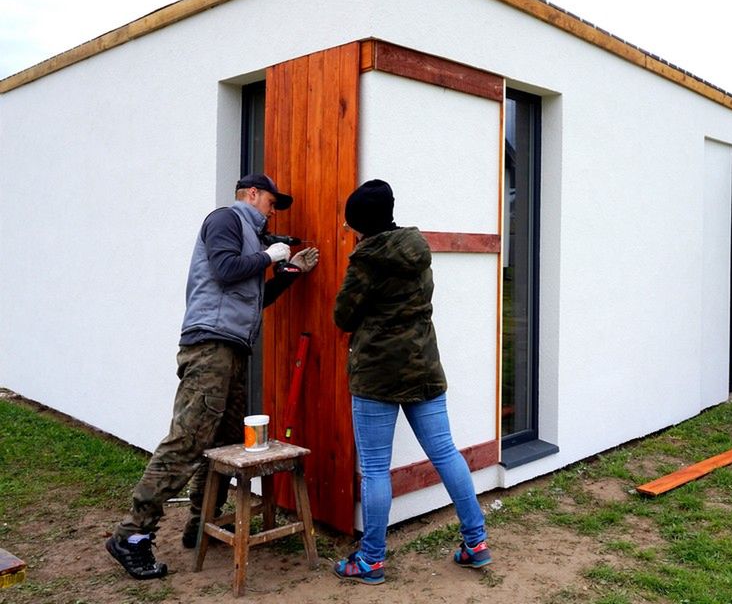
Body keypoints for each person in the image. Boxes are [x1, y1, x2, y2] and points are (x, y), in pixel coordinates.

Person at [106, 173, 320, 580]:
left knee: (223, 446)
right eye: (271, 202)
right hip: (209, 347)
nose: (273, 211)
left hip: (232, 349)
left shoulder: (251, 238)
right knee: (188, 439)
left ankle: (200, 524)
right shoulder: (225, 219)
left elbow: (253, 298)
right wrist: (270, 256)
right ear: (252, 194)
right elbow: (224, 270)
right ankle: (132, 534)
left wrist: (289, 271)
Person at [332, 179, 492, 585]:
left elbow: (343, 316)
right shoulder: (417, 250)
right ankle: (476, 542)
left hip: (377, 374)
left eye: (351, 224)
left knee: (375, 469)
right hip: (423, 366)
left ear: (362, 224)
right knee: (446, 452)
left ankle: (371, 560)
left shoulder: (367, 260)